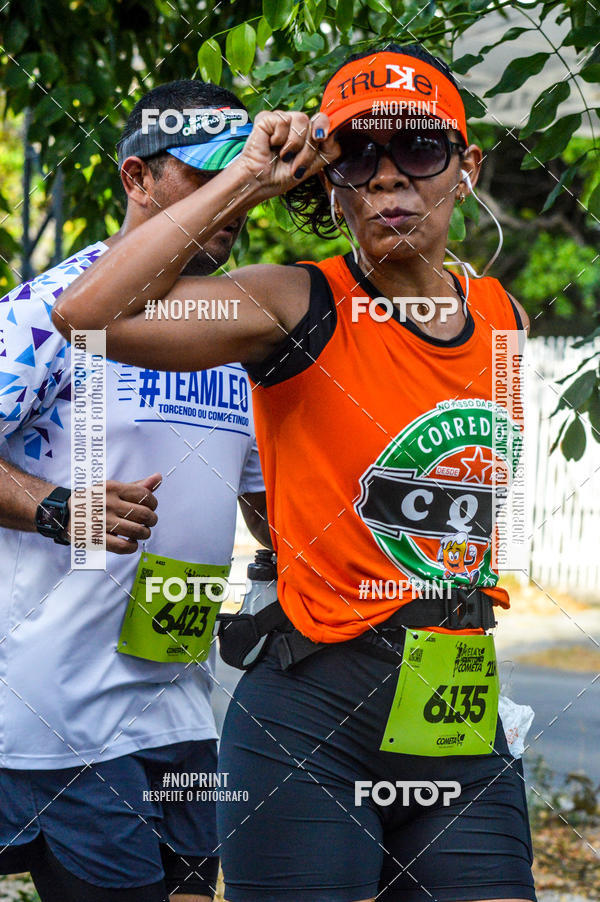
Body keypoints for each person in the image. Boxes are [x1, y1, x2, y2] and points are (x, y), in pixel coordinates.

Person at [54, 43, 536, 902]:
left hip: (455, 708)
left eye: (418, 151)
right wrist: (247, 178)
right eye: (359, 157)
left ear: (465, 170)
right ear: (331, 183)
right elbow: (88, 315)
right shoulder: (291, 302)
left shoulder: (502, 320)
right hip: (310, 722)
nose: (389, 181)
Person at [0, 79, 269, 902]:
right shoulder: (50, 311)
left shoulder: (240, 330)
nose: (233, 200)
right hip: (59, 719)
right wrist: (54, 508)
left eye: (244, 178)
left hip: (182, 710)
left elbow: (270, 506)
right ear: (136, 178)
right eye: (208, 175)